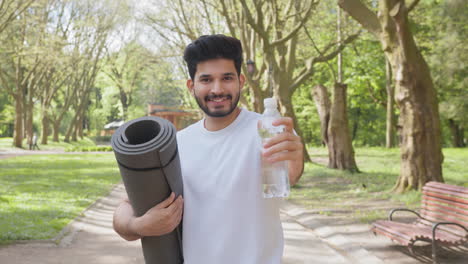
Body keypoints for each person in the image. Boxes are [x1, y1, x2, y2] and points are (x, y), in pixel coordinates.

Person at [113, 34, 304, 264]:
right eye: (206, 80)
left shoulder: (268, 131)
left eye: (226, 78)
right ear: (191, 86)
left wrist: (295, 161)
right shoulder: (176, 144)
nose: (217, 89)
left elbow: (290, 175)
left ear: (241, 81)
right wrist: (139, 225)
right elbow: (126, 207)